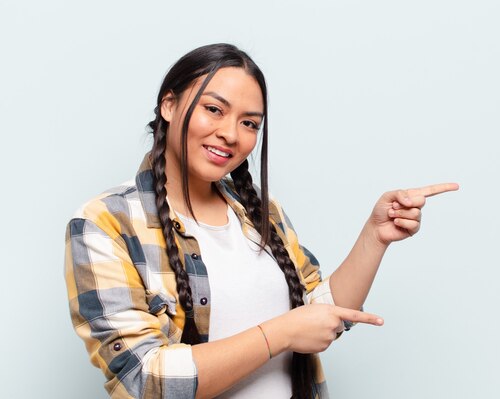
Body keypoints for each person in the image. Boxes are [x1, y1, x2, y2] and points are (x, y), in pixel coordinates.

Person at [64, 43, 459, 399]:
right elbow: (146, 380)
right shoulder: (105, 222)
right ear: (169, 106)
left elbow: (317, 313)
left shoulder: (260, 212)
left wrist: (376, 236)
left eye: (250, 123)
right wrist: (279, 333)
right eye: (214, 109)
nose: (230, 134)